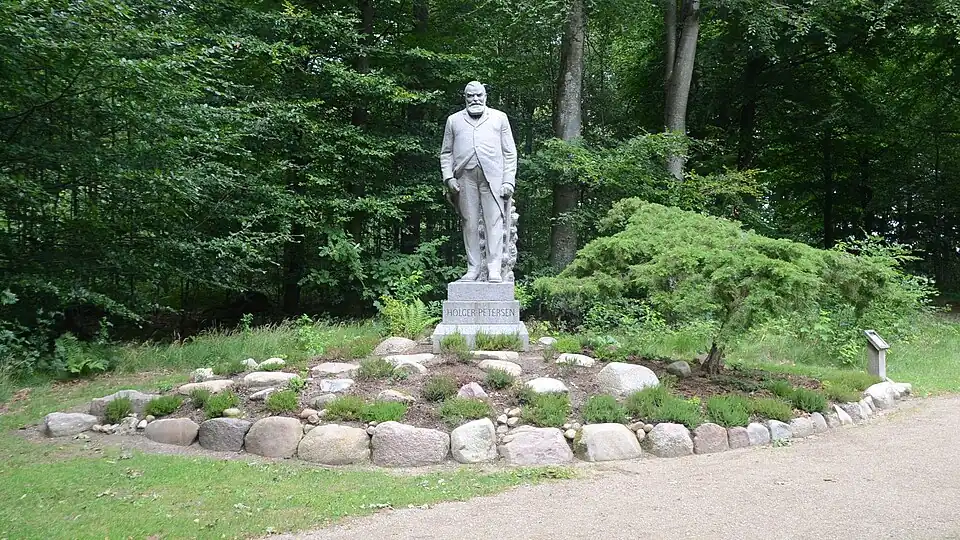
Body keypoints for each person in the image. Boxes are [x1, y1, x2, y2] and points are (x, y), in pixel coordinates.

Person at [439, 81, 518, 282]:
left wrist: (508, 181)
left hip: (493, 178)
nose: (475, 99)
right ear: (465, 98)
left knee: (494, 222)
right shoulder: (453, 121)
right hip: (464, 177)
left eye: (479, 95)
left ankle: (494, 269)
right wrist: (448, 177)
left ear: (485, 96)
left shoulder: (499, 118)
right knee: (469, 223)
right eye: (470, 96)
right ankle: (473, 268)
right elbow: (446, 153)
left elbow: (510, 153)